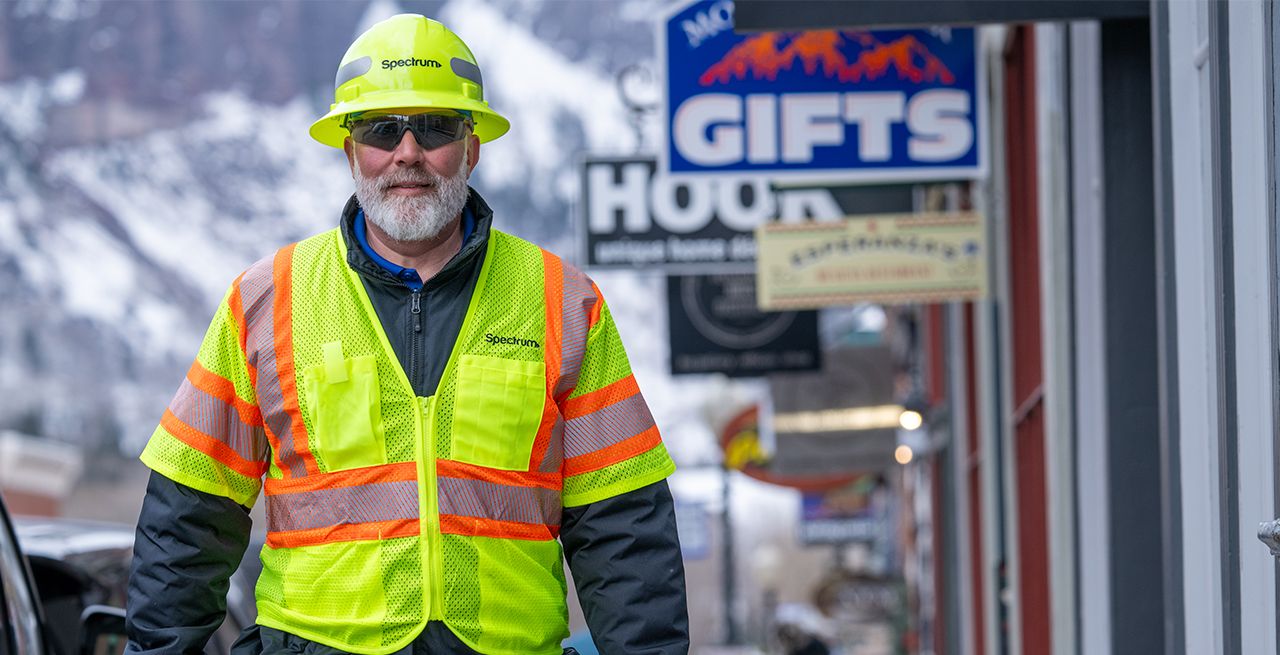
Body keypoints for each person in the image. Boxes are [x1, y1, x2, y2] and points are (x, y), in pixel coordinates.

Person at [124, 13, 688, 655]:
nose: (408, 152)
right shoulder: (264, 299)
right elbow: (188, 516)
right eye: (382, 129)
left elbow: (623, 527)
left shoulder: (562, 300)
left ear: (472, 148)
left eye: (436, 128)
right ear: (350, 150)